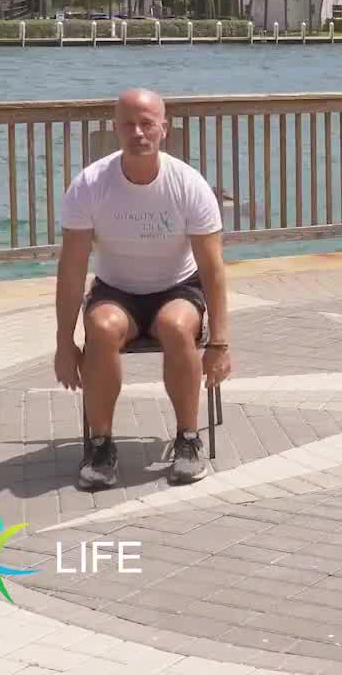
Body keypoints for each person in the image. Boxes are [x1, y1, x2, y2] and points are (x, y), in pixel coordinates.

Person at [54, 88, 230, 491]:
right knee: (101, 327)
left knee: (175, 325)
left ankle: (188, 439)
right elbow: (72, 268)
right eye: (129, 124)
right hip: (117, 290)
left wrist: (220, 342)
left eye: (147, 123)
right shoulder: (89, 184)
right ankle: (100, 446)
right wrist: (64, 342)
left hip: (178, 288)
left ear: (163, 129)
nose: (138, 132)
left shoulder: (189, 184)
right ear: (116, 129)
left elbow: (213, 269)